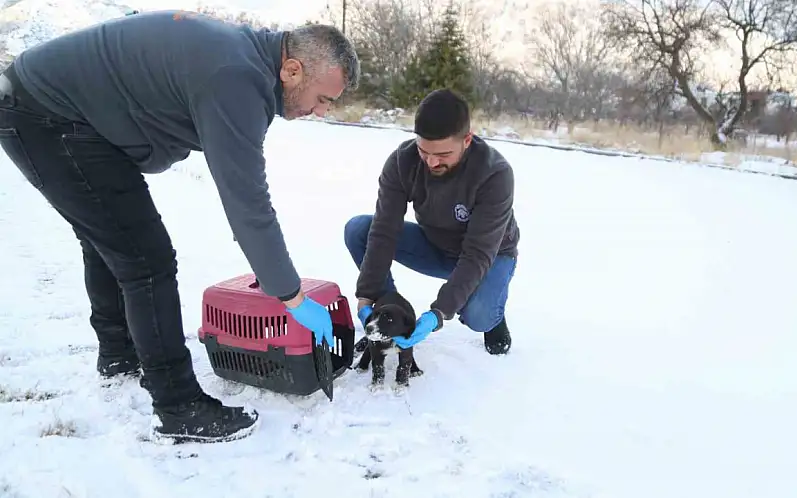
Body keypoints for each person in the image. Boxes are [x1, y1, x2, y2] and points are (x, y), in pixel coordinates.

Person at [0, 10, 359, 443]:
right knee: (145, 259)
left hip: (57, 111)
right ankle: (178, 405)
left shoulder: (242, 60)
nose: (320, 112)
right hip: (45, 114)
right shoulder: (235, 78)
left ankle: (119, 355)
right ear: (292, 69)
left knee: (110, 236)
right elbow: (248, 206)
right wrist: (291, 294)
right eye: (323, 99)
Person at [344, 89, 519, 356]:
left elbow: (477, 253)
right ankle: (392, 310)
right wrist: (367, 294)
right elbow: (384, 231)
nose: (431, 161)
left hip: (490, 256)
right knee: (359, 230)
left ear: (467, 140)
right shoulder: (403, 162)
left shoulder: (494, 174)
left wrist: (439, 312)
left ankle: (491, 314)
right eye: (424, 151)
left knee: (478, 316)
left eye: (443, 154)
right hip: (435, 244)